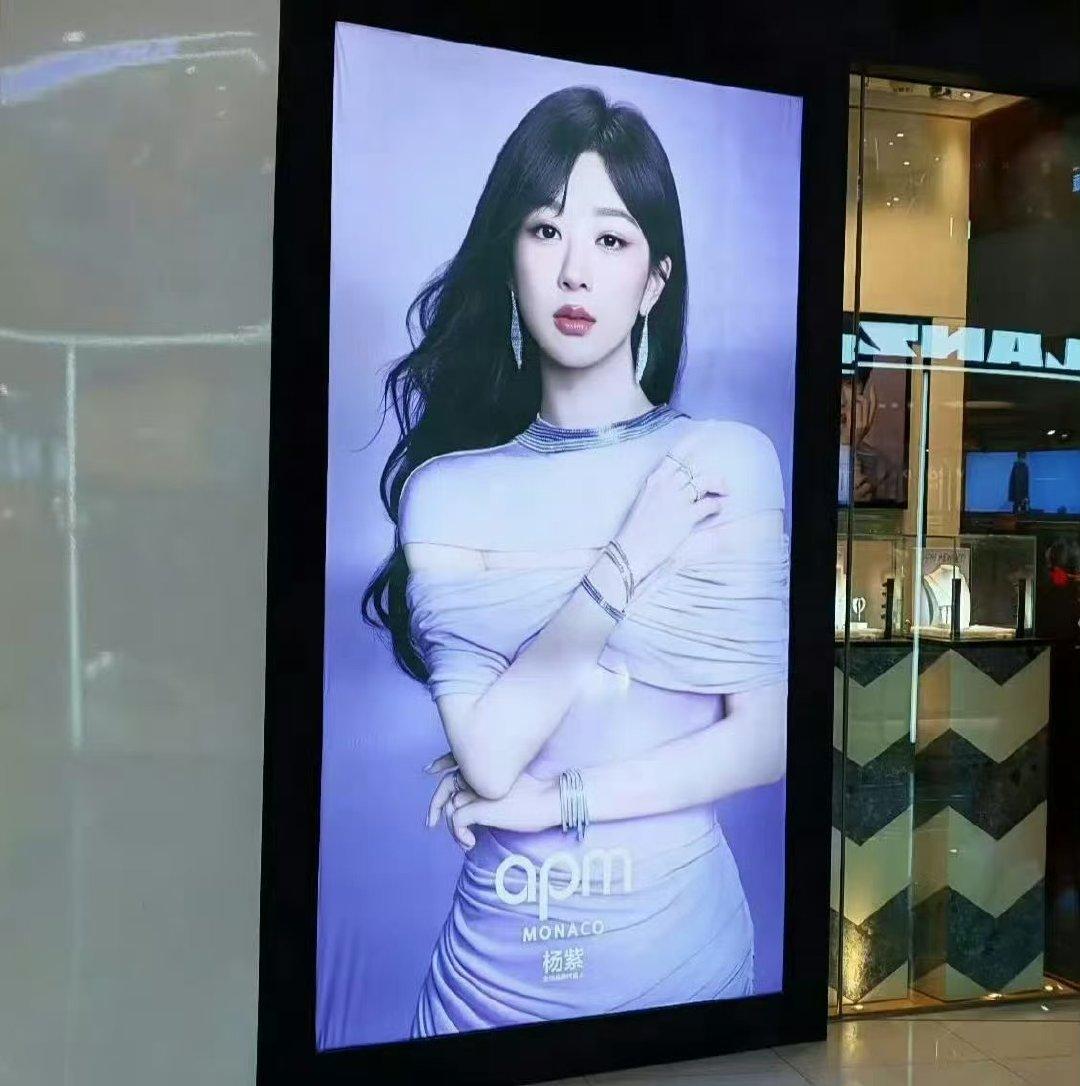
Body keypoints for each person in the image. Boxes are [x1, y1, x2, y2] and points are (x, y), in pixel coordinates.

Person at [362, 86, 789, 1036]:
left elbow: (764, 743)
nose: (574, 272)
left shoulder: (725, 461)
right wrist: (626, 559)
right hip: (489, 972)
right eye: (546, 230)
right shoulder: (447, 490)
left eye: (610, 238)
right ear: (509, 256)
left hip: (680, 955)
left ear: (655, 279)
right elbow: (488, 756)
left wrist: (556, 801)